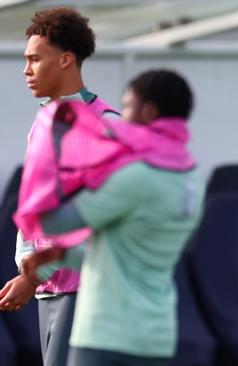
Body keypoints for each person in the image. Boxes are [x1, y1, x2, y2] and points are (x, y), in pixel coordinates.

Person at [20, 69, 202, 366]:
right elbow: (123, 255)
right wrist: (61, 254)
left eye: (127, 106)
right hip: (156, 333)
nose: (121, 116)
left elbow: (53, 221)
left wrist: (48, 157)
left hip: (107, 333)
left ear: (149, 111)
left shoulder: (134, 176)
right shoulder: (191, 177)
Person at [0, 7, 118, 366]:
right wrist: (27, 272)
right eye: (26, 59)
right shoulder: (43, 122)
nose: (26, 69)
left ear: (66, 60)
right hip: (51, 291)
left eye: (36, 59)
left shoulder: (103, 125)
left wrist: (32, 277)